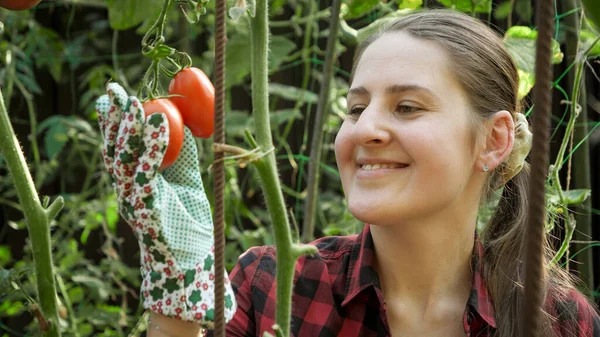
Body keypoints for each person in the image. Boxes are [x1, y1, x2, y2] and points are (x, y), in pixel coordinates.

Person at [96, 8, 600, 337]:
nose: (365, 130)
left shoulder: (562, 322)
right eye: (356, 109)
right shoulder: (271, 287)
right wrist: (177, 282)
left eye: (406, 107)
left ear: (494, 140)